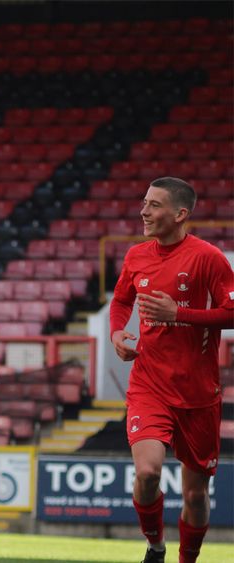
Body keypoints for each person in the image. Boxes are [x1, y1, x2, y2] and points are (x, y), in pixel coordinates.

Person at [109, 177, 233, 563]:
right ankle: (155, 545)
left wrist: (178, 313)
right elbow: (120, 301)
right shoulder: (136, 256)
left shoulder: (208, 257)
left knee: (196, 494)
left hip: (198, 394)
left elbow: (231, 312)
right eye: (144, 202)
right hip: (149, 385)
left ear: (181, 214)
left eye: (155, 205)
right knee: (147, 474)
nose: (144, 211)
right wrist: (117, 333)